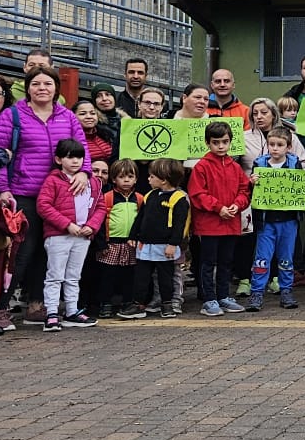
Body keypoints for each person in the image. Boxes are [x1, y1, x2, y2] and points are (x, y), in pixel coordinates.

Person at [0, 67, 90, 324]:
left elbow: (82, 149)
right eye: (36, 84)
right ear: (28, 88)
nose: (42, 88)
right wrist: (3, 189)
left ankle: (37, 305)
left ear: (56, 88)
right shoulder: (10, 116)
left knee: (48, 253)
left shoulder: (68, 117)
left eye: (48, 83)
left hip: (60, 195)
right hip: (23, 193)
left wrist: (85, 173)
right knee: (19, 253)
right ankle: (0, 306)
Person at [38, 137, 110, 331]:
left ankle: (72, 310)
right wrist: (67, 224)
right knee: (54, 275)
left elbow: (100, 206)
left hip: (82, 236)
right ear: (59, 159)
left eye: (79, 157)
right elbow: (43, 206)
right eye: (70, 157)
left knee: (73, 276)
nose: (75, 161)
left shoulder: (93, 182)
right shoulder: (52, 180)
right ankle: (51, 312)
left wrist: (92, 226)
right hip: (58, 236)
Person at [188, 120, 250, 316]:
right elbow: (197, 194)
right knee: (208, 262)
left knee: (226, 262)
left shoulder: (235, 167)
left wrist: (236, 205)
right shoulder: (201, 167)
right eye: (216, 142)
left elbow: (244, 190)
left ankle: (223, 296)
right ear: (208, 143)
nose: (221, 146)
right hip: (210, 224)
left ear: (230, 142)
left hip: (230, 222)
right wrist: (219, 208)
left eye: (224, 142)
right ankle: (209, 299)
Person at [246, 128, 303, 311]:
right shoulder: (260, 163)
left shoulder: (294, 164)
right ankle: (257, 292)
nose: (275, 149)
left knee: (286, 258)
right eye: (272, 145)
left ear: (288, 147)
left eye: (280, 145)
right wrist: (252, 182)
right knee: (262, 258)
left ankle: (286, 291)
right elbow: (253, 193)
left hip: (288, 220)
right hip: (266, 221)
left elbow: (302, 189)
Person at [130, 158, 190, 319]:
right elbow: (140, 218)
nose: (148, 179)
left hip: (165, 246)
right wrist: (133, 236)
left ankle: (167, 304)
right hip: (145, 245)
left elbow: (179, 225)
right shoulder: (150, 195)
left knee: (166, 277)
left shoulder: (178, 198)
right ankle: (139, 304)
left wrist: (173, 244)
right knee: (141, 276)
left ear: (163, 180)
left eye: (152, 176)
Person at [95, 158, 143, 319]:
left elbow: (141, 221)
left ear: (136, 178)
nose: (127, 180)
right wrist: (102, 243)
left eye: (130, 176)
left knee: (129, 276)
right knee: (107, 276)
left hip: (131, 243)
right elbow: (101, 221)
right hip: (112, 243)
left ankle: (127, 302)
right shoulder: (107, 197)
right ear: (114, 179)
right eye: (122, 177)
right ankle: (105, 303)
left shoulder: (140, 199)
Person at [76, 101, 114, 166]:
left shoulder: (106, 135)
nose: (89, 117)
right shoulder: (71, 140)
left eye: (92, 113)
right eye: (83, 114)